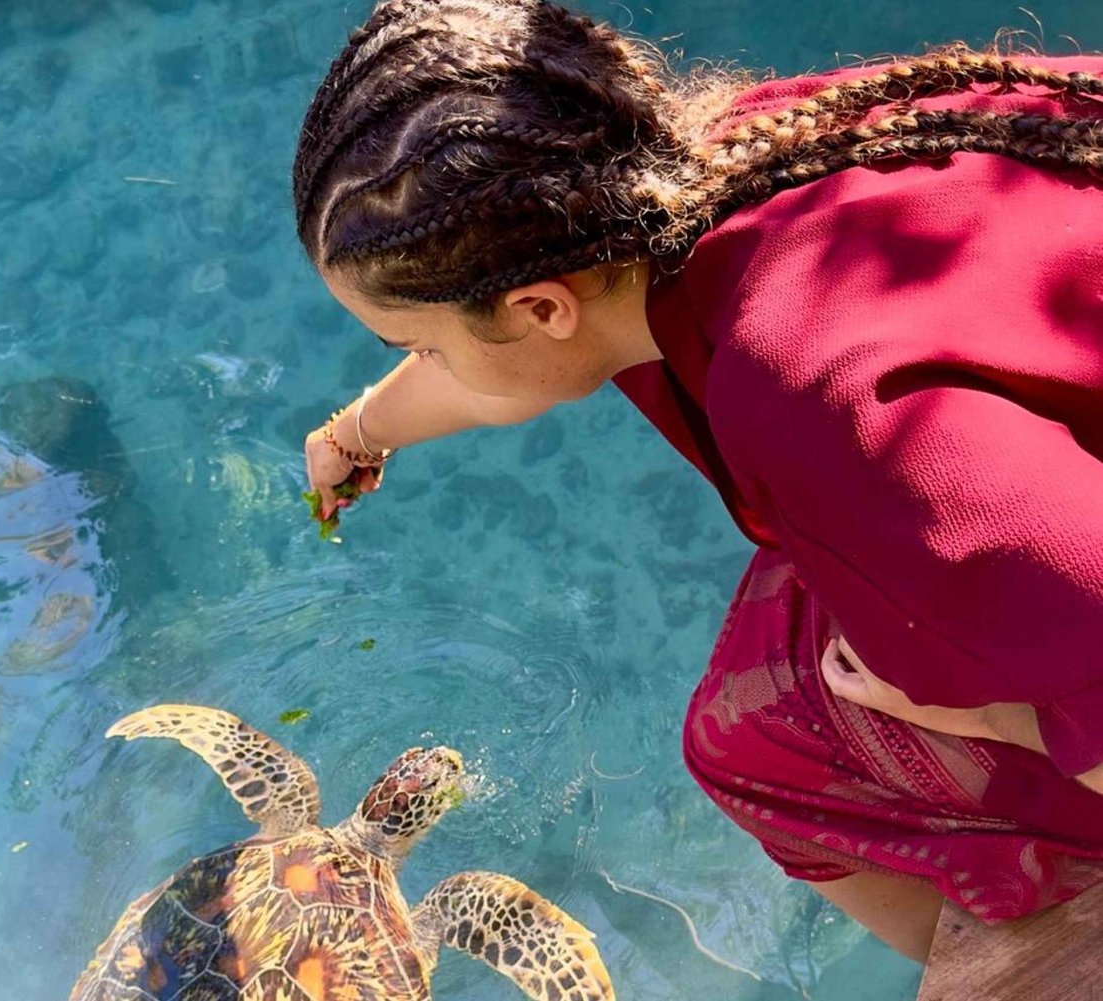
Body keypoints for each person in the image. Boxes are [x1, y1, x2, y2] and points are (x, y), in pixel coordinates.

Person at [292, 0, 1103, 963]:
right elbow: (494, 370)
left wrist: (982, 709)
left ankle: (1024, 960)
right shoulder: (733, 168)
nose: (422, 361)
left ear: (541, 302)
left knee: (758, 748)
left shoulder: (835, 421)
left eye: (420, 342)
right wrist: (359, 432)